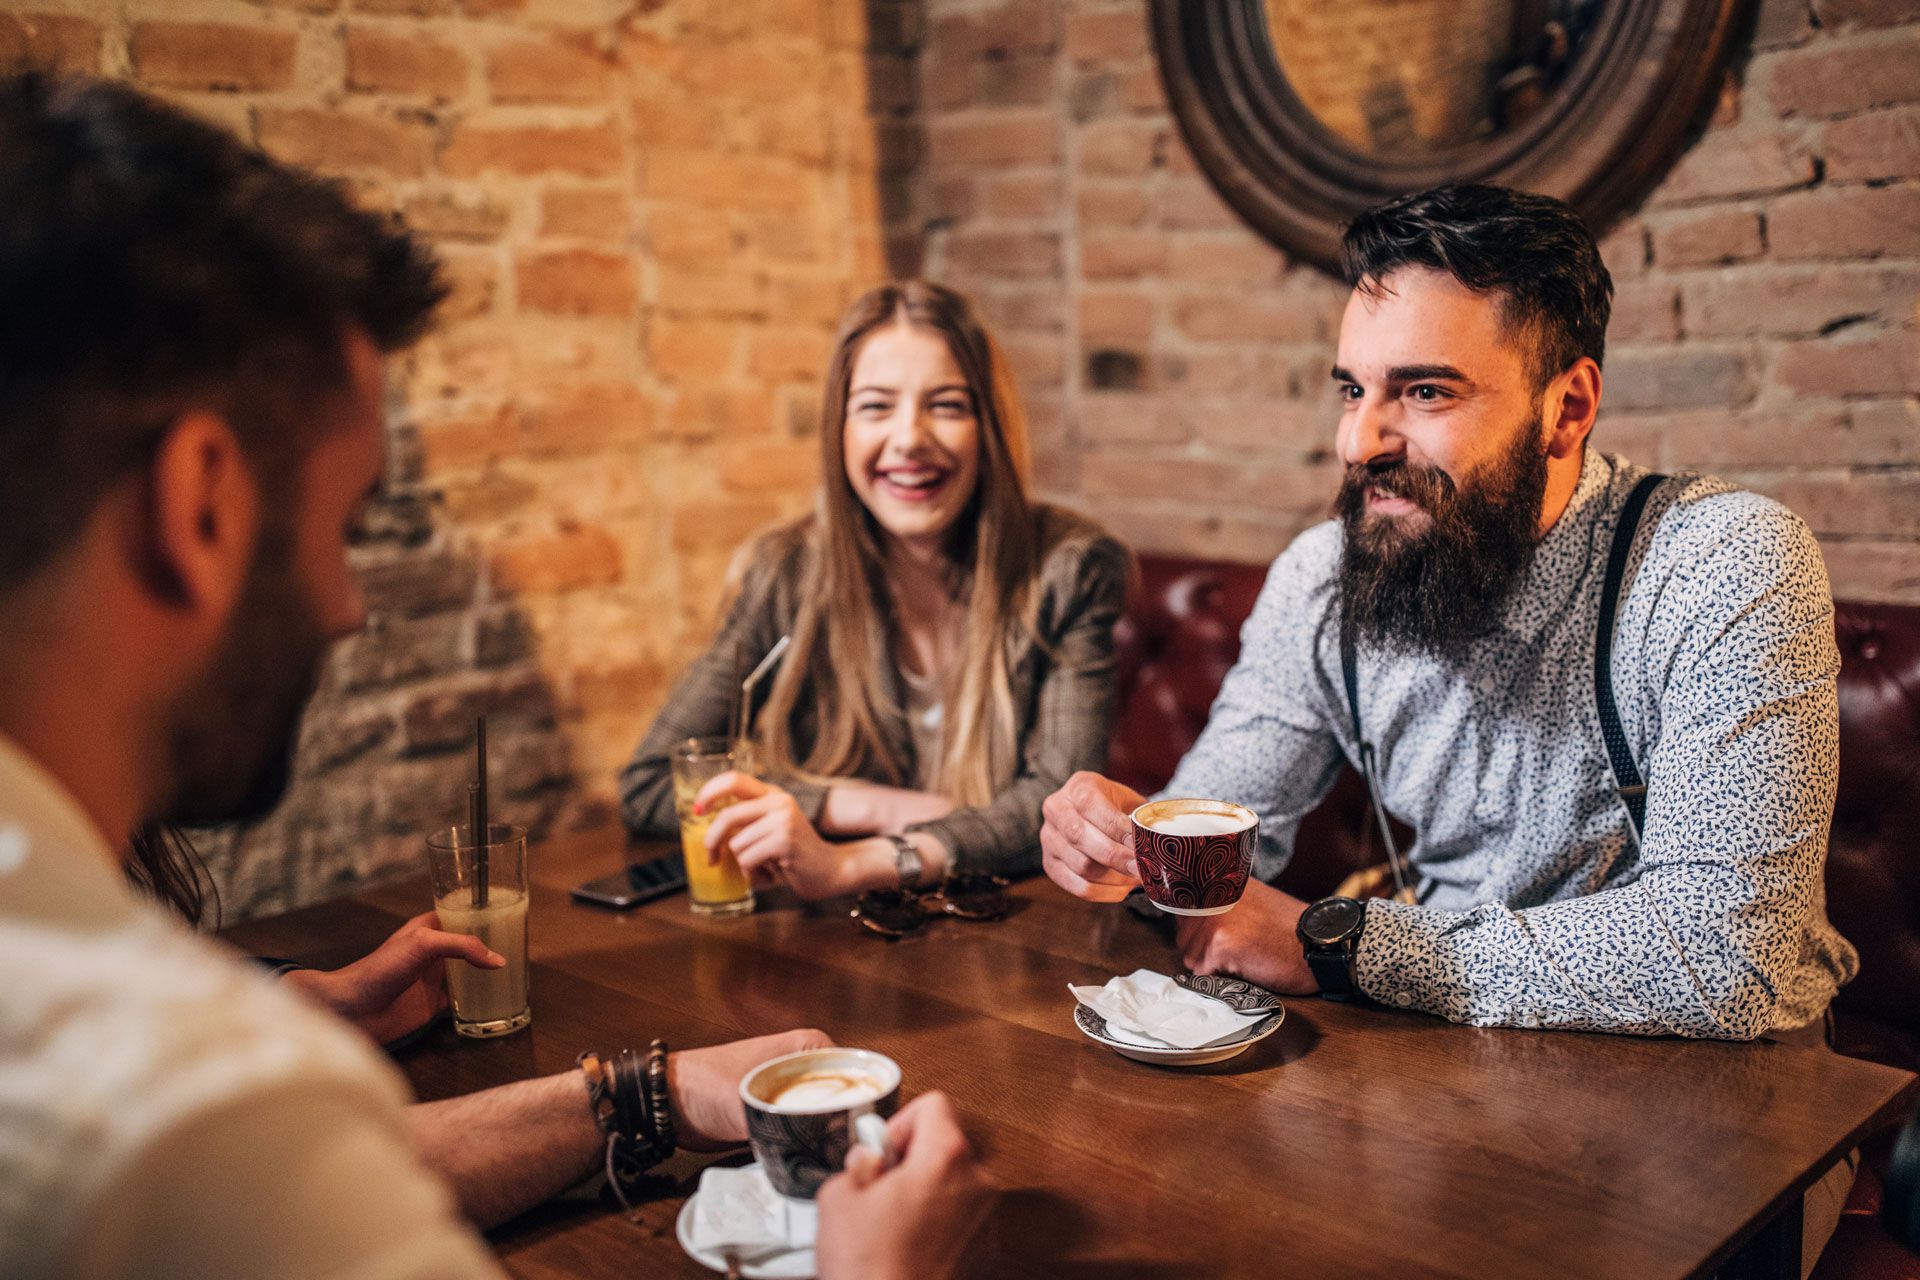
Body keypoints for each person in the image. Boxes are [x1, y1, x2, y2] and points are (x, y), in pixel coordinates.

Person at [0, 71, 987, 1279]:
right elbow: (232, 1149)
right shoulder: (174, 1106)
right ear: (198, 503)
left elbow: (318, 1173)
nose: (351, 604)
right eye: (345, 520)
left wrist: (650, 1092)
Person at [1040, 183, 1858, 1044]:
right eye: (1352, 390)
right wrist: (1129, 846)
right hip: (1445, 1060)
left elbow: (1729, 957)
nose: (1360, 442)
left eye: (1425, 392)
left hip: (1731, 1101)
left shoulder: (1720, 560)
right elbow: (1221, 823)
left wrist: (1341, 946)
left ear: (1566, 409)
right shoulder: (1323, 578)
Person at [620, 282, 1130, 900]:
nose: (909, 438)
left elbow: (1056, 813)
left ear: (988, 427)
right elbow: (651, 782)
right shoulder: (784, 571)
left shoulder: (1068, 568)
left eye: (945, 404)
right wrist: (863, 805)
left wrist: (854, 863)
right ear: (840, 430)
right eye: (875, 406)